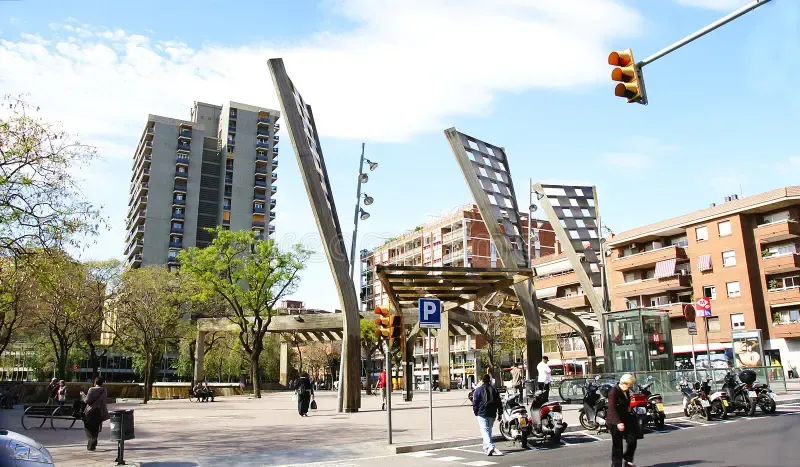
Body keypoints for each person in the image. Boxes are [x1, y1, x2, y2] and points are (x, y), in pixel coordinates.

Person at [607, 374, 639, 467]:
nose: (629, 388)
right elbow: (612, 408)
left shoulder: (626, 391)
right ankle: (616, 464)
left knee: (632, 439)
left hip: (625, 418)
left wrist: (630, 410)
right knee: (618, 444)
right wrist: (618, 422)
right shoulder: (614, 391)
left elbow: (626, 404)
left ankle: (628, 459)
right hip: (614, 421)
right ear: (623, 383)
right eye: (629, 386)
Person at [472, 373, 503, 456]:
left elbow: (475, 402)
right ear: (489, 380)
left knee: (484, 430)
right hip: (492, 413)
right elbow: (499, 402)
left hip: (482, 413)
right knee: (488, 430)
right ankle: (486, 447)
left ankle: (490, 446)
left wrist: (475, 411)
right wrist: (500, 412)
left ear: (482, 381)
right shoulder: (494, 389)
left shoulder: (478, 390)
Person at [81, 377, 109, 452]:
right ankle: (93, 444)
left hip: (90, 411)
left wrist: (83, 395)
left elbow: (86, 400)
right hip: (99, 411)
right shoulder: (104, 390)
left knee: (88, 428)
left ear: (95, 382)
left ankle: (91, 444)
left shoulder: (92, 389)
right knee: (95, 428)